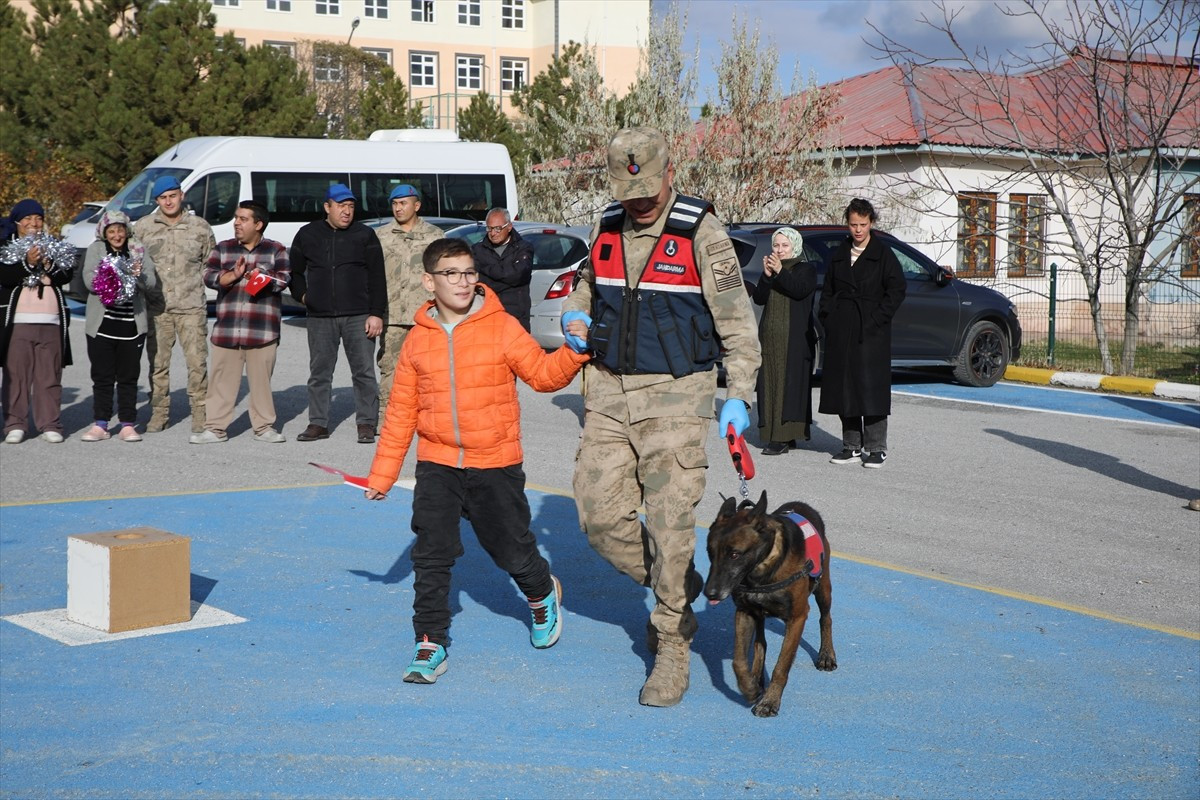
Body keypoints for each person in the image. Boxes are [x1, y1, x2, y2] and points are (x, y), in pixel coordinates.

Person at [560, 127, 761, 707]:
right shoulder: (606, 226)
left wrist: (739, 396)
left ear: (670, 173)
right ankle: (681, 583)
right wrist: (575, 315)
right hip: (606, 392)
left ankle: (672, 639)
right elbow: (584, 287)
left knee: (671, 526)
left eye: (648, 190)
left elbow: (738, 325)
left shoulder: (702, 232)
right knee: (598, 519)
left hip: (676, 397)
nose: (639, 202)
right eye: (629, 192)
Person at [364, 238, 589, 684]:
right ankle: (430, 642)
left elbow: (542, 376)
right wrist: (383, 475)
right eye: (451, 273)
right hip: (437, 462)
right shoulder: (416, 341)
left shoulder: (501, 326)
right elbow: (401, 413)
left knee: (511, 550)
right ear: (429, 282)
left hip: (495, 461)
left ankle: (541, 591)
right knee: (431, 555)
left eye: (469, 272)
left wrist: (575, 351)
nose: (463, 281)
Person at [289, 183, 386, 444]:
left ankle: (366, 423)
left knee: (364, 372)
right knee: (319, 373)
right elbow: (294, 272)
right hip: (320, 317)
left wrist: (376, 313)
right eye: (341, 206)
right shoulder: (307, 234)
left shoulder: (365, 235)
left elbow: (378, 276)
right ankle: (318, 423)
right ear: (327, 207)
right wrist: (304, 297)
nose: (347, 211)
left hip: (359, 315)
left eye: (351, 206)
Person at [190, 201, 291, 445]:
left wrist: (261, 276)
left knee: (261, 384)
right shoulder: (223, 248)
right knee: (221, 383)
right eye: (236, 218)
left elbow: (284, 279)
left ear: (258, 224)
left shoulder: (276, 250)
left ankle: (264, 427)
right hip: (227, 329)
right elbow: (209, 277)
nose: (236, 223)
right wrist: (234, 275)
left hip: (262, 331)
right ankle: (215, 429)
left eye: (243, 219)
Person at [817, 197, 906, 468]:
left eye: (863, 224)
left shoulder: (883, 254)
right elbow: (828, 289)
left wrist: (877, 319)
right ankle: (851, 445)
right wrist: (829, 317)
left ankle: (876, 448)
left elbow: (897, 290)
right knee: (845, 388)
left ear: (871, 223)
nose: (858, 230)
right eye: (853, 224)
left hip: (871, 331)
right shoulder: (840, 253)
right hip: (842, 329)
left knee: (871, 388)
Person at [133, 175, 215, 434]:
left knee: (197, 364)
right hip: (157, 308)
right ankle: (159, 413)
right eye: (163, 198)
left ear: (182, 195)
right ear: (157, 200)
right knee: (158, 366)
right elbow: (134, 264)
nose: (168, 202)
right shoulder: (143, 228)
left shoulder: (200, 227)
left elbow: (210, 265)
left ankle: (200, 413)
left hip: (191, 307)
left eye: (172, 196)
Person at [80, 210, 159, 442]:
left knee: (128, 378)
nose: (117, 235)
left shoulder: (137, 250)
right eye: (112, 231)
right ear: (104, 233)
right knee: (102, 377)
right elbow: (89, 281)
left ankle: (127, 424)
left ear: (127, 231)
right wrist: (113, 274)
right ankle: (101, 424)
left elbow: (151, 282)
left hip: (131, 327)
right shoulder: (96, 249)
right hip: (102, 326)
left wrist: (138, 276)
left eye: (120, 230)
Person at [1, 199, 74, 444]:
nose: (34, 223)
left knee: (49, 376)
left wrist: (48, 264)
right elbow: (5, 276)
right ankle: (15, 424)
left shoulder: (54, 245)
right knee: (16, 376)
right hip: (18, 322)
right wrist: (29, 263)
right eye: (28, 219)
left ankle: (50, 423)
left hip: (51, 321)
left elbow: (67, 274)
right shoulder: (5, 246)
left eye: (38, 218)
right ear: (17, 222)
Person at [376, 184, 443, 412]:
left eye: (403, 203)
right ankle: (387, 418)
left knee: (428, 369)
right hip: (392, 315)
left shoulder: (434, 235)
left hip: (425, 315)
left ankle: (426, 417)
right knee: (390, 369)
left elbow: (443, 274)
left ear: (417, 205)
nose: (398, 208)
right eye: (394, 204)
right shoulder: (381, 236)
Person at [753, 227, 818, 455]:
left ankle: (783, 437)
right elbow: (759, 298)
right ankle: (775, 433)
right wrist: (766, 276)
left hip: (793, 340)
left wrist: (780, 271)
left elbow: (799, 291)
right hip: (770, 338)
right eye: (776, 245)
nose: (780, 250)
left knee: (788, 385)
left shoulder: (806, 269)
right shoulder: (773, 270)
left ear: (795, 247)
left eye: (785, 245)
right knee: (769, 384)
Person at [471, 207, 534, 330]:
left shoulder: (523, 248)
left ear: (509, 227)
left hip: (517, 317)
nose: (493, 233)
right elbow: (476, 281)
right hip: (487, 315)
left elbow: (518, 276)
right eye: (489, 228)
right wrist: (508, 280)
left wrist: (486, 270)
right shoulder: (477, 250)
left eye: (497, 229)